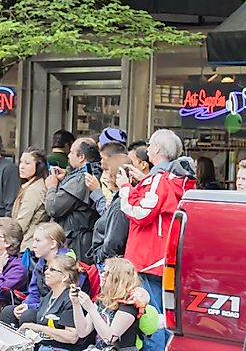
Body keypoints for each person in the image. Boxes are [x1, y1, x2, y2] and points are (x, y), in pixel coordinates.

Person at [38, 258, 148, 351]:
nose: (101, 275)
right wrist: (76, 304)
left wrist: (90, 308)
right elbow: (83, 331)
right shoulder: (102, 300)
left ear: (118, 278)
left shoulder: (129, 306)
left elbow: (110, 337)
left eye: (106, 273)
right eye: (102, 271)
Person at [117, 129, 195, 313]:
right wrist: (144, 180)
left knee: (150, 316)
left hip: (147, 257)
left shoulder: (158, 179)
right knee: (163, 314)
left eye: (150, 144)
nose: (148, 148)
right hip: (161, 257)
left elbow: (140, 213)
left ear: (157, 148)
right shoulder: (173, 180)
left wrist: (125, 187)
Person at [8, 255, 93, 351]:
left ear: (64, 276)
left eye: (52, 270)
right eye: (47, 268)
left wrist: (35, 327)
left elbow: (72, 336)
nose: (46, 272)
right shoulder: (49, 296)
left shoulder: (70, 299)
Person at [1, 222, 75, 326]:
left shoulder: (68, 266)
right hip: (40, 306)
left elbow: (62, 300)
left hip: (59, 311)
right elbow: (34, 293)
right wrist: (26, 304)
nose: (33, 245)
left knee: (28, 315)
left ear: (53, 244)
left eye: (38, 241)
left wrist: (32, 307)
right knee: (8, 312)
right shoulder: (40, 263)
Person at [44, 137, 101, 263]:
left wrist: (52, 187)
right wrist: (66, 177)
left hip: (77, 243)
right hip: (80, 239)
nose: (68, 156)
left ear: (81, 157)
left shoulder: (83, 178)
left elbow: (53, 208)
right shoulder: (92, 172)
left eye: (71, 153)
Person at [86, 155, 130, 266]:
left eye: (107, 171)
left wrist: (100, 257)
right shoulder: (117, 200)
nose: (104, 177)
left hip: (110, 262)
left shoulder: (120, 204)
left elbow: (113, 242)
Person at [12, 148, 49, 252]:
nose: (21, 166)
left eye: (27, 163)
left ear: (39, 166)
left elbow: (22, 222)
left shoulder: (34, 189)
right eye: (21, 162)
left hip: (27, 244)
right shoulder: (31, 185)